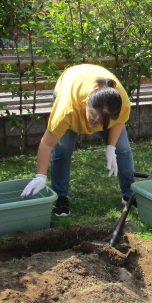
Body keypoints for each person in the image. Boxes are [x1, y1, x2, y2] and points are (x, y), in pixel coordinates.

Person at [21, 64, 134, 217]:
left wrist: (111, 147)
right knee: (63, 150)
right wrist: (40, 176)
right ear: (86, 102)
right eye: (93, 121)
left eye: (103, 124)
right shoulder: (66, 110)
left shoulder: (121, 104)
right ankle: (61, 197)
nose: (96, 127)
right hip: (70, 82)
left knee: (123, 149)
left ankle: (129, 194)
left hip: (94, 85)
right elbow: (47, 143)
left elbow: (119, 122)